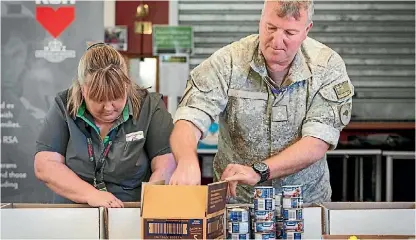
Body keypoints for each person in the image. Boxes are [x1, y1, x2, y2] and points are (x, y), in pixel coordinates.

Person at [169, 0, 354, 204]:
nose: (276, 41)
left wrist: (260, 171)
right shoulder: (228, 62)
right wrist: (186, 159)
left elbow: (317, 142)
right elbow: (190, 117)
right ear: (260, 20)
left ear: (306, 30)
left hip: (304, 204)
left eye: (289, 33)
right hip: (238, 203)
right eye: (270, 27)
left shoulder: (327, 67)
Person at [34, 43, 176, 207]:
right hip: (74, 210)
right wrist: (90, 194)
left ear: (126, 85)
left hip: (131, 210)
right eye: (99, 99)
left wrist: (151, 203)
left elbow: (167, 163)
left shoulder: (150, 106)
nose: (108, 108)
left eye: (116, 97)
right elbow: (45, 165)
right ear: (83, 90)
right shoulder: (64, 105)